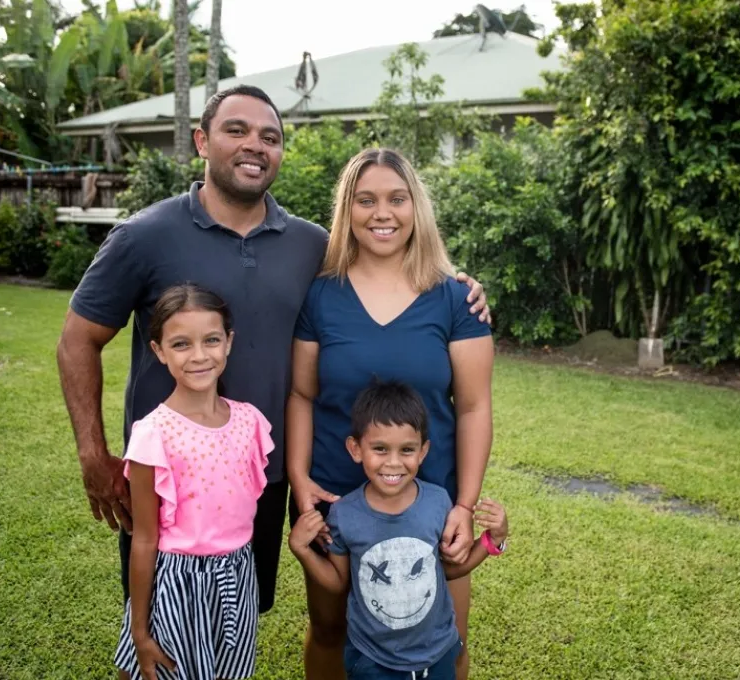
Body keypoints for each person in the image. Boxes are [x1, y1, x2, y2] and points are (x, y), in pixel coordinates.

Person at [56, 85, 488, 673]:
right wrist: (92, 452)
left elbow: (388, 263)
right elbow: (78, 338)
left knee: (239, 621)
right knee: (169, 625)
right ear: (203, 142)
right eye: (236, 130)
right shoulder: (145, 236)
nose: (253, 145)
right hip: (174, 485)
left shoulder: (310, 246)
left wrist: (457, 282)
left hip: (264, 479)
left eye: (270, 136)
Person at [287, 148, 495, 680]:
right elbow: (302, 396)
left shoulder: (455, 299)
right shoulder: (321, 295)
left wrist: (465, 506)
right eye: (366, 200)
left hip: (433, 501)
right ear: (347, 210)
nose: (383, 213)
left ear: (415, 206)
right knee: (331, 630)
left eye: (397, 199)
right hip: (336, 496)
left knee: (447, 640)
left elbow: (473, 407)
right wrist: (299, 479)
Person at [288, 381, 508, 680]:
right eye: (380, 449)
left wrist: (491, 541)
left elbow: (448, 571)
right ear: (356, 449)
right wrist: (301, 549)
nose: (393, 462)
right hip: (372, 660)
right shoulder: (345, 513)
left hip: (437, 653)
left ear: (423, 451)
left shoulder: (438, 502)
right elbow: (339, 582)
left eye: (407, 450)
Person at [113, 283, 270, 680]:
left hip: (237, 579)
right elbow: (144, 539)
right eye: (181, 344)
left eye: (211, 340)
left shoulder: (249, 421)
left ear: (228, 343)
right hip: (177, 584)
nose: (199, 356)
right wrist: (139, 629)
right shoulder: (153, 433)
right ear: (159, 351)